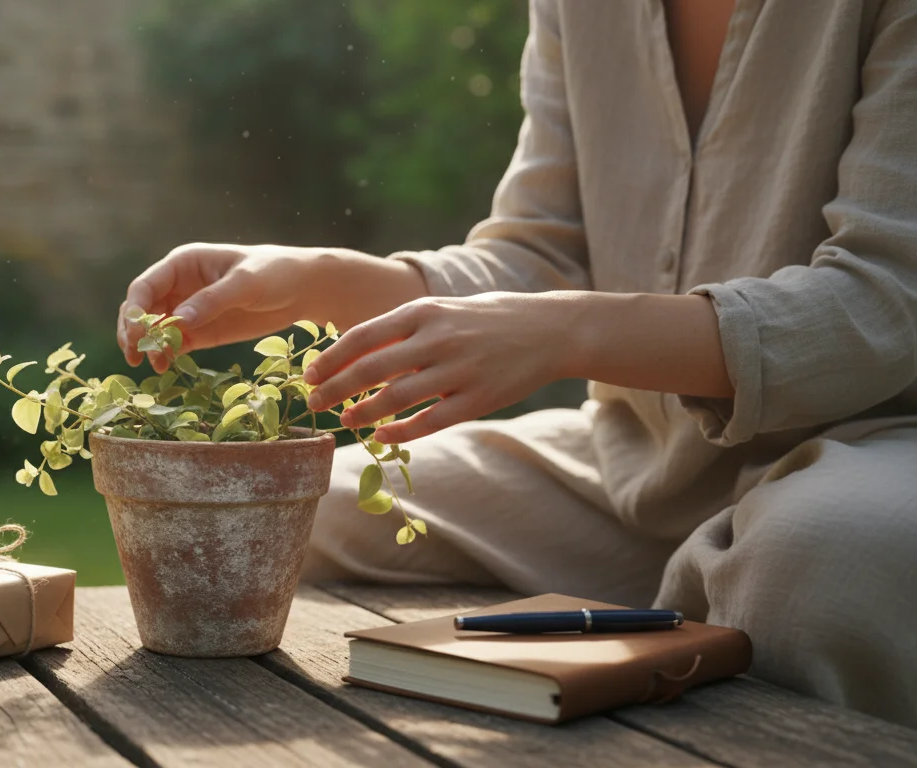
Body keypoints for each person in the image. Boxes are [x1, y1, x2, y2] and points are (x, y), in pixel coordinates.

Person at [116, 0, 917, 727]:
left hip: (881, 449)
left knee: (820, 561)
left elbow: (885, 298)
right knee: (296, 519)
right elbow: (543, 252)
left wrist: (570, 333)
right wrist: (329, 282)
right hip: (630, 463)